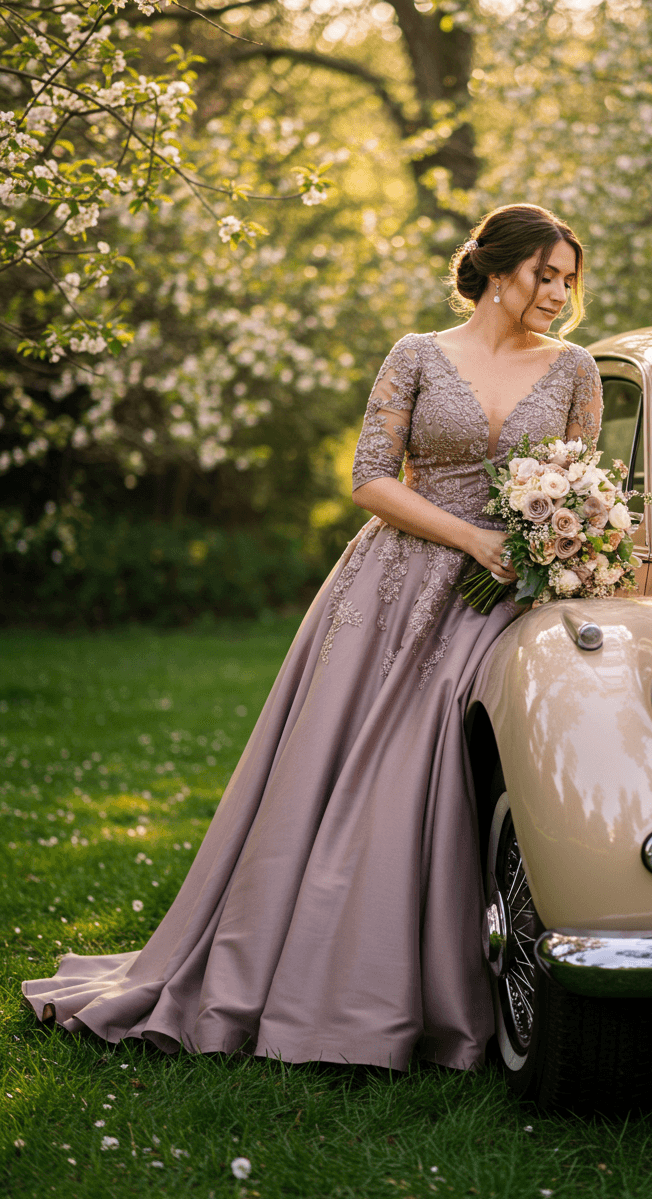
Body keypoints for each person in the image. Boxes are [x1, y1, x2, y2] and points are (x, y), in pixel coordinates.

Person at [22, 202, 603, 1073]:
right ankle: (312, 979)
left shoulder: (576, 372)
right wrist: (471, 535)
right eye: (544, 274)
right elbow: (371, 479)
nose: (559, 294)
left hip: (498, 597)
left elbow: (579, 488)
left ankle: (449, 984)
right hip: (390, 585)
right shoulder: (417, 355)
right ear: (495, 268)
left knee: (441, 756)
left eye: (568, 278)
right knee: (346, 766)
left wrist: (548, 543)